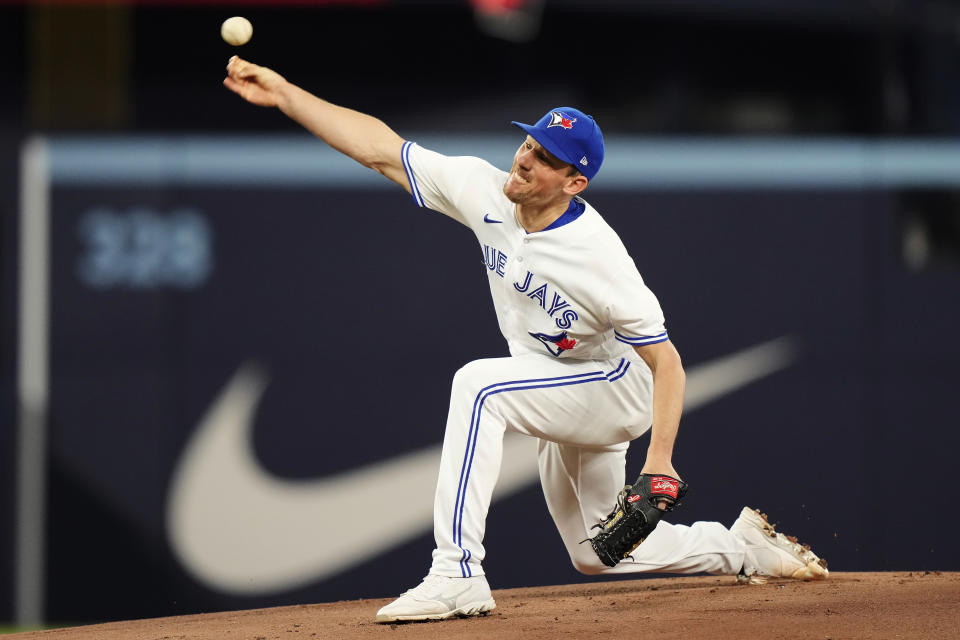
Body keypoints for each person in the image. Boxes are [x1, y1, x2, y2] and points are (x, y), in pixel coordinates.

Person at [223, 55, 829, 623]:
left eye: (546, 157)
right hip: (554, 382)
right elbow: (382, 150)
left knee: (479, 386)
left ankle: (456, 572)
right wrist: (284, 95)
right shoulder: (484, 191)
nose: (526, 158)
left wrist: (661, 462)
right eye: (530, 142)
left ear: (575, 183)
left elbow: (666, 362)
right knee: (597, 552)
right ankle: (742, 547)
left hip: (617, 389)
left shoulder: (599, 257)